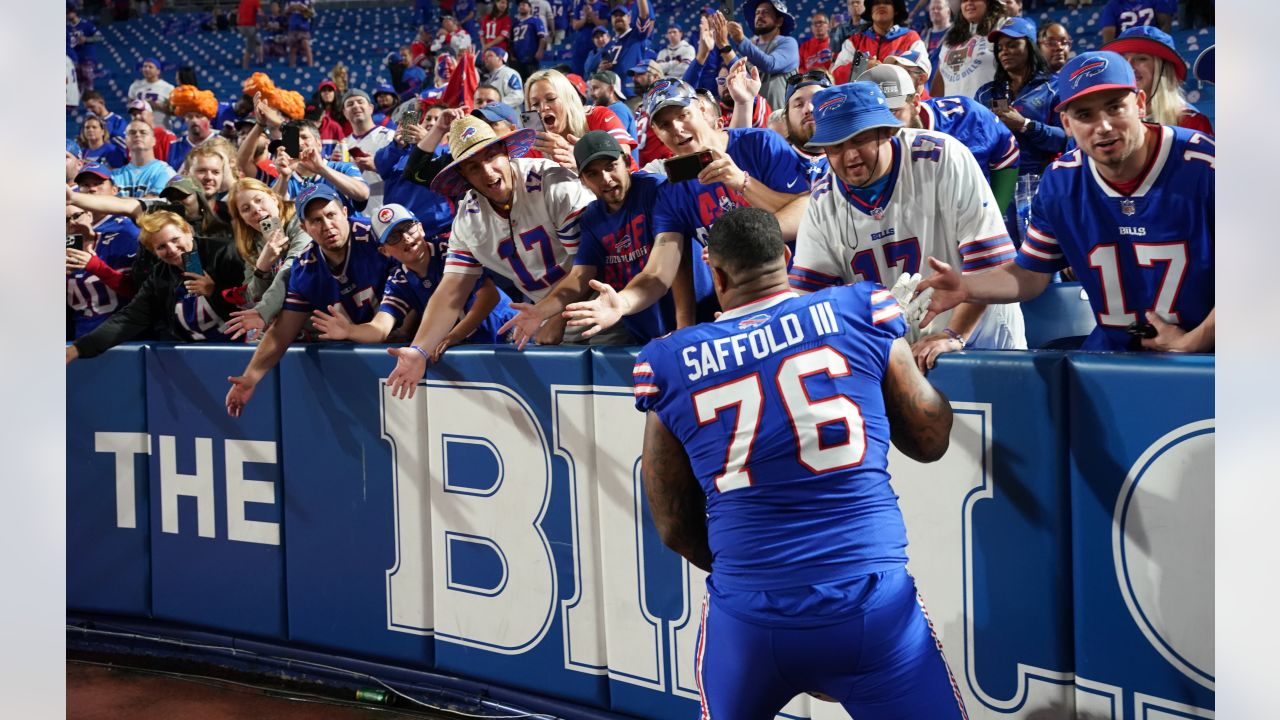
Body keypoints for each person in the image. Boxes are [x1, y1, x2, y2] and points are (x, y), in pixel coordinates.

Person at [633, 206, 961, 720]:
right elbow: (929, 437)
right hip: (870, 605)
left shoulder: (671, 360)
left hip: (749, 617)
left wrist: (763, 579)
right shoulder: (860, 310)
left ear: (714, 273)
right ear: (785, 259)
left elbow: (674, 526)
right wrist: (892, 351)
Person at [916, 51, 1215, 353]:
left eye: (1115, 108)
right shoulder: (1061, 181)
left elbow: (1257, 278)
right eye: (1085, 115)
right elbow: (1030, 275)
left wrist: (1191, 343)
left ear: (1139, 104)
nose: (1104, 126)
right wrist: (966, 287)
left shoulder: (1205, 165)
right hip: (1113, 354)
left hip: (1212, 356)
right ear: (1067, 123)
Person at [790, 81, 1025, 370]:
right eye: (836, 145)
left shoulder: (944, 156)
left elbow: (989, 262)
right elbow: (807, 297)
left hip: (980, 343)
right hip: (905, 359)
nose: (850, 155)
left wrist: (954, 334)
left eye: (859, 139)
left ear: (888, 131)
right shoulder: (823, 200)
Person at [562, 78, 810, 334]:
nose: (677, 129)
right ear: (656, 134)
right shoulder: (671, 191)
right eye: (664, 124)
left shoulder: (760, 143)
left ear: (701, 110)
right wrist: (622, 303)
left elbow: (807, 212)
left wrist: (741, 183)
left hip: (796, 293)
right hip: (735, 314)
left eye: (683, 115)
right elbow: (658, 273)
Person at [384, 115, 597, 398]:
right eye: (473, 167)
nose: (486, 171)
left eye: (491, 156)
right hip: (543, 321)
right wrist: (419, 349)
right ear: (463, 178)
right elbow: (451, 292)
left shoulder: (553, 183)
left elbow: (591, 264)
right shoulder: (468, 218)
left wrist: (555, 315)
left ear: (507, 152)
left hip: (599, 308)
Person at [225, 184, 394, 416]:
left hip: (402, 342)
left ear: (345, 212)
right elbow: (282, 331)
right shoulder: (306, 268)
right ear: (305, 227)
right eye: (316, 221)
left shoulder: (377, 237)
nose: (327, 226)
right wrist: (251, 377)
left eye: (331, 215)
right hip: (363, 351)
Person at [499, 131, 674, 347]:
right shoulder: (592, 217)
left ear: (627, 162)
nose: (606, 179)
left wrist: (686, 326)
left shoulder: (657, 190)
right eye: (593, 174)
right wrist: (541, 311)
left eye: (610, 166)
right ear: (582, 181)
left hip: (687, 320)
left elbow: (667, 270)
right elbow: (581, 275)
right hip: (641, 329)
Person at [310, 204, 515, 353]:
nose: (406, 239)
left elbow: (489, 297)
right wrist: (349, 331)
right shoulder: (399, 280)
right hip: (473, 347)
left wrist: (454, 335)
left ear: (421, 228)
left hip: (509, 333)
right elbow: (380, 328)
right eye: (393, 237)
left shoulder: (450, 250)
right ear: (384, 251)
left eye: (407, 228)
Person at [65, 211, 246, 365]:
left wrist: (214, 291)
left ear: (188, 231)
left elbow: (253, 301)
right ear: (153, 252)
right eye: (161, 247)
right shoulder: (159, 275)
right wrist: (79, 348)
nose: (172, 249)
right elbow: (130, 318)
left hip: (239, 350)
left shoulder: (224, 253)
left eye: (175, 239)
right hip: (192, 355)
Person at [861, 64, 1019, 214]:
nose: (885, 126)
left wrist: (994, 213)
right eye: (873, 118)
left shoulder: (964, 117)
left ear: (915, 102)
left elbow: (1007, 150)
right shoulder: (856, 144)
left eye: (892, 112)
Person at [221, 177, 314, 340]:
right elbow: (251, 297)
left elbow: (294, 270)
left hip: (314, 318)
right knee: (251, 339)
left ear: (273, 198)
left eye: (259, 200)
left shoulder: (301, 221)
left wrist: (262, 311)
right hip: (280, 324)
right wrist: (262, 268)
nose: (256, 209)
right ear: (243, 219)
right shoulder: (251, 244)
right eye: (246, 208)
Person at [975, 18, 1066, 177]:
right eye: (1000, 47)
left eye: (1012, 45)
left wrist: (1025, 124)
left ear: (1031, 47)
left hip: (1041, 181)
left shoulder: (1054, 88)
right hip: (997, 184)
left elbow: (1064, 139)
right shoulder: (985, 93)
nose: (1004, 51)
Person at [65, 171, 142, 338]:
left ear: (89, 214)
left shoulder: (121, 237)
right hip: (81, 335)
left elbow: (135, 292)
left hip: (123, 335)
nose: (72, 223)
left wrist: (96, 267)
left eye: (77, 216)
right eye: (64, 220)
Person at [1101, 25, 1214, 135]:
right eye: (1124, 60)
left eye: (1141, 58)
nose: (1129, 66)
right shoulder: (1107, 123)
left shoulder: (1191, 123)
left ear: (1163, 69)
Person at [525, 69, 638, 170]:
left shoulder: (599, 116)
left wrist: (581, 157)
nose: (543, 108)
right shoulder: (534, 141)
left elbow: (623, 159)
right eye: (535, 104)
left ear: (568, 98)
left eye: (551, 99)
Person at [729, 0, 800, 111]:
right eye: (757, 13)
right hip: (754, 117)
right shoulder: (750, 45)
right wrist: (724, 45)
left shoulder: (789, 43)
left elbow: (770, 64)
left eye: (766, 12)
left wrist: (742, 40)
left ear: (779, 21)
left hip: (780, 119)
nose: (759, 16)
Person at [832, 0, 925, 83]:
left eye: (887, 2)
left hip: (902, 100)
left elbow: (921, 73)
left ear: (896, 10)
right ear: (870, 11)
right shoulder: (854, 41)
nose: (881, 5)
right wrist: (863, 66)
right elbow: (835, 75)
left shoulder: (911, 38)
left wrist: (886, 71)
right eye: (876, 3)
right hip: (863, 100)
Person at [932, 0, 1006, 99]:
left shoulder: (1002, 29)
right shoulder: (949, 39)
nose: (969, 3)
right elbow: (940, 84)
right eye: (964, 0)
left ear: (989, 3)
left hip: (986, 111)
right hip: (952, 112)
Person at [340, 89, 396, 211]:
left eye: (360, 102)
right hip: (356, 213)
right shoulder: (342, 145)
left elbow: (402, 172)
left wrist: (377, 166)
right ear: (345, 113)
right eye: (350, 104)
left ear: (371, 108)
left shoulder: (390, 137)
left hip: (387, 209)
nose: (355, 106)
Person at [598, 1, 654, 95]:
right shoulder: (610, 44)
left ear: (629, 18)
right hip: (614, 94)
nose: (618, 18)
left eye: (622, 15)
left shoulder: (636, 35)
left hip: (633, 92)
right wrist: (602, 68)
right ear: (611, 20)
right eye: (615, 16)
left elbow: (644, 15)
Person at [113, 121, 178, 198]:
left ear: (154, 141)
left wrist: (115, 201)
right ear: (126, 141)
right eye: (132, 133)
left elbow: (152, 204)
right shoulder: (114, 175)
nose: (137, 135)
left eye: (143, 132)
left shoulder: (165, 171)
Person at [167, 86, 219, 171]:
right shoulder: (174, 146)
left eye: (199, 116)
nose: (194, 120)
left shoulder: (222, 144)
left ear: (209, 119)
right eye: (190, 116)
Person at [588, 71, 637, 142]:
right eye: (591, 89)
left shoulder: (617, 109)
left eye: (596, 88)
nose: (592, 93)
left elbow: (615, 146)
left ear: (611, 89)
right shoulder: (614, 108)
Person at [127, 58, 175, 129]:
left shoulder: (168, 87)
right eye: (145, 66)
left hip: (161, 126)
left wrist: (157, 105)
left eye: (150, 67)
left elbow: (173, 112)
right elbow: (130, 105)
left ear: (158, 71)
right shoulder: (135, 86)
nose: (147, 69)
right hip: (141, 127)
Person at [1099, 0, 1175, 45]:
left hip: (1152, 42)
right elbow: (1108, 39)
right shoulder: (1111, 6)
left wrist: (1162, 44)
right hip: (1126, 47)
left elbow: (1165, 24)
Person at [128, 98, 177, 163]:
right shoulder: (131, 139)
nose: (137, 116)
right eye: (134, 114)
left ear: (151, 114)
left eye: (140, 113)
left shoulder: (166, 136)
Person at [67, 8, 104, 93]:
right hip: (75, 58)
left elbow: (100, 37)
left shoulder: (86, 24)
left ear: (75, 12)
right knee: (77, 83)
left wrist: (87, 39)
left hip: (87, 56)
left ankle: (90, 97)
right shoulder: (67, 28)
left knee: (87, 76)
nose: (68, 14)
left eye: (69, 12)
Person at [511, 0, 549, 79]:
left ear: (530, 8)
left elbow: (542, 38)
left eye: (524, 5)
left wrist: (540, 51)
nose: (521, 6)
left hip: (531, 57)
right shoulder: (515, 23)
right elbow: (511, 40)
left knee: (532, 80)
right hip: (517, 58)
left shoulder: (535, 20)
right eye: (520, 5)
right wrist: (512, 55)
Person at [285, 0, 315, 67]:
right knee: (293, 47)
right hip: (293, 27)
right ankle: (292, 66)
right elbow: (285, 13)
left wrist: (303, 9)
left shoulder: (306, 1)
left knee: (305, 44)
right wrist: (290, 9)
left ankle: (310, 65)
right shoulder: (289, 1)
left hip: (303, 26)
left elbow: (312, 13)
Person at [238, 0, 264, 69]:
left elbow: (238, 15)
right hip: (249, 26)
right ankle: (245, 66)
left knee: (258, 42)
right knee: (250, 48)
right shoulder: (255, 1)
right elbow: (259, 12)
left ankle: (260, 60)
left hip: (241, 26)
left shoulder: (243, 1)